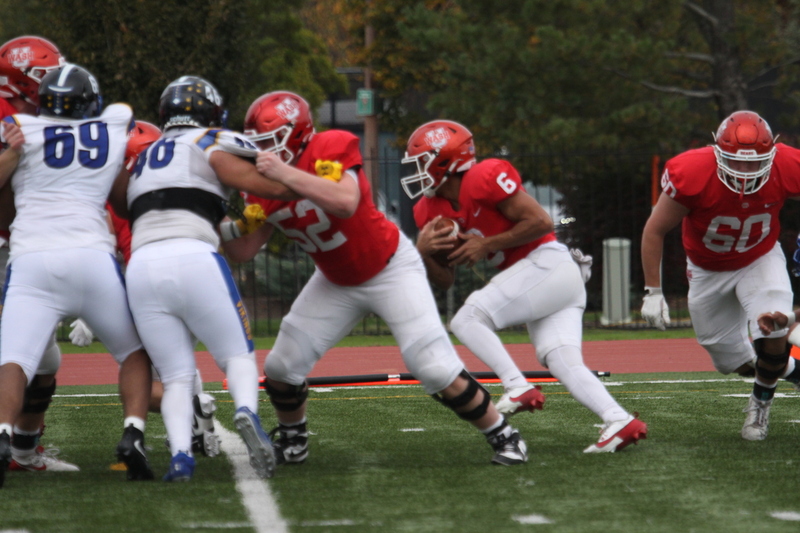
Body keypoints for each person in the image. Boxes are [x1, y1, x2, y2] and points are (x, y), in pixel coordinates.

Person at [226, 91, 529, 467]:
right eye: (259, 143)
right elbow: (244, 251)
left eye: (271, 141)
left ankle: (504, 434)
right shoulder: (261, 181)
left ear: (298, 132)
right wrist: (217, 228)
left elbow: (344, 202)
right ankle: (294, 437)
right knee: (280, 367)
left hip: (390, 268)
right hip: (335, 280)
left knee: (433, 367)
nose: (264, 151)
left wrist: (281, 173)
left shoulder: (329, 145)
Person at [402, 120, 647, 453]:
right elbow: (445, 280)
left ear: (444, 160)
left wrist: (487, 244)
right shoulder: (430, 210)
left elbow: (542, 222)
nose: (417, 170)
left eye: (421, 161)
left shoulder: (483, 177)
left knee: (467, 319)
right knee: (561, 359)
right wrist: (423, 253)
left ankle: (517, 385)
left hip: (549, 264)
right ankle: (618, 419)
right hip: (544, 281)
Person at [116, 76, 289, 481]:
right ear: (210, 114)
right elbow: (261, 173)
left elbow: (176, 206)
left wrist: (239, 227)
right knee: (237, 357)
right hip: (194, 258)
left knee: (176, 376)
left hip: (142, 268)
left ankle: (180, 458)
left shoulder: (144, 157)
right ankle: (246, 411)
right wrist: (295, 185)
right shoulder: (210, 139)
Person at [0, 63, 155, 488]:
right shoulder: (115, 121)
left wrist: (12, 152)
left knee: (13, 362)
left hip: (32, 258)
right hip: (90, 257)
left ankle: (1, 433)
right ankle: (134, 432)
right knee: (134, 353)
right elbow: (119, 125)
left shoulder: (21, 128)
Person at [641, 110, 800, 441]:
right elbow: (654, 230)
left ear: (773, 153)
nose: (744, 170)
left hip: (760, 256)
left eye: (754, 162)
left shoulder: (787, 164)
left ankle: (760, 404)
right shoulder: (692, 171)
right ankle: (794, 371)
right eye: (735, 161)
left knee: (774, 323)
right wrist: (652, 291)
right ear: (717, 151)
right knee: (727, 357)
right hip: (707, 269)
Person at [69, 120, 222, 458]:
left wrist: (89, 314)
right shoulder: (184, 190)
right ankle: (196, 428)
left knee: (137, 378)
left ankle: (192, 410)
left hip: (151, 288)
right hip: (196, 280)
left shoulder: (114, 204)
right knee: (175, 362)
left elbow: (103, 257)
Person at [0, 35, 78, 473]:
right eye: (44, 74)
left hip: (27, 245)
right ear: (18, 81)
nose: (54, 82)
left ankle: (23, 451)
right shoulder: (6, 117)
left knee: (43, 358)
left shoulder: (42, 114)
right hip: (7, 245)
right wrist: (14, 151)